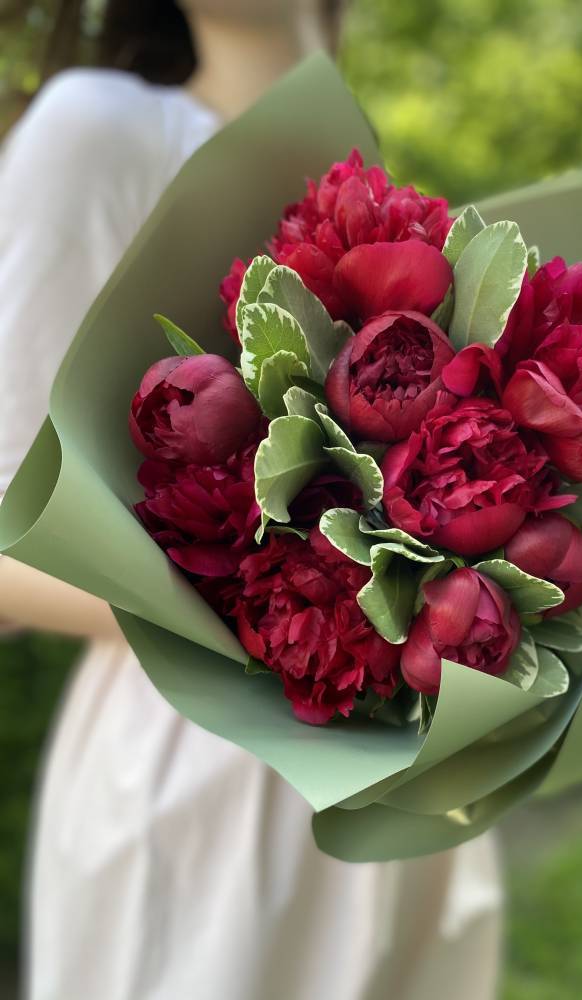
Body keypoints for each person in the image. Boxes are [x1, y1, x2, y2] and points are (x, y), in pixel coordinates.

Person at [0, 2, 502, 997]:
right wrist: (297, 612)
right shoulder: (102, 127)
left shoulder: (367, 163)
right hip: (194, 793)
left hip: (393, 783)